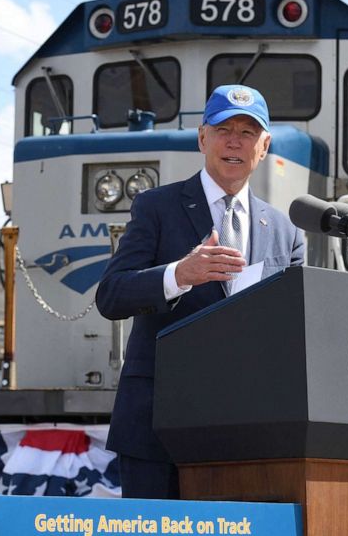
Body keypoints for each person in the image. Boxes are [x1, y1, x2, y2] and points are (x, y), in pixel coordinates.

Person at [95, 84, 305, 499]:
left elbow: (294, 331)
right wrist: (180, 274)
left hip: (249, 434)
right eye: (224, 128)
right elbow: (111, 295)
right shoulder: (156, 207)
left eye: (247, 132)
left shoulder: (286, 231)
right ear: (202, 138)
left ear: (264, 147)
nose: (234, 141)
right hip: (158, 427)